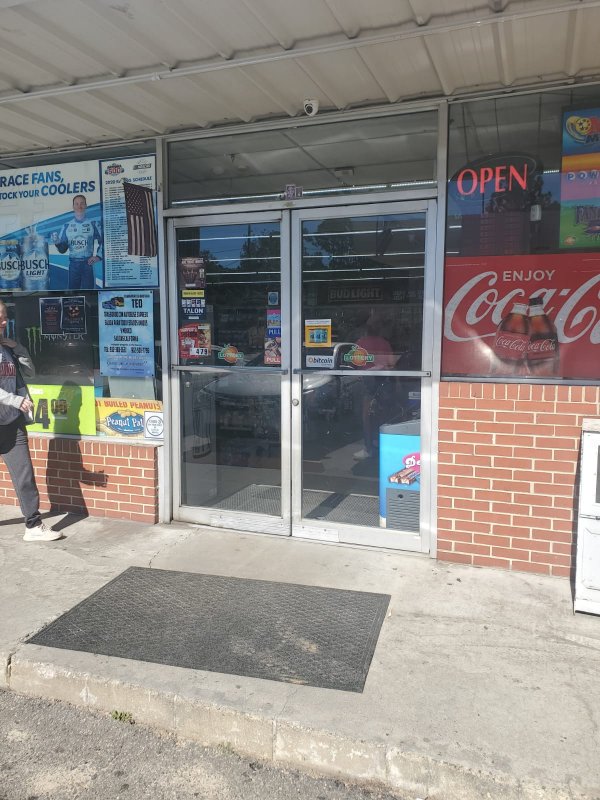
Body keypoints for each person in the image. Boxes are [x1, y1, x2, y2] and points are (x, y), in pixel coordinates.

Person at [0, 301, 60, 541]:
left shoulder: (7, 348)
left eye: (5, 317)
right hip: (11, 410)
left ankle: (33, 527)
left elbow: (31, 373)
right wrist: (14, 400)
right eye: (0, 318)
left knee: (24, 473)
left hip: (11, 423)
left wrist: (19, 349)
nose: (4, 322)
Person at [353, 311, 397, 460]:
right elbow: (391, 363)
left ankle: (368, 447)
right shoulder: (384, 343)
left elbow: (356, 363)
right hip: (382, 383)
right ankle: (378, 443)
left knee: (367, 417)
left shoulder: (360, 342)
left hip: (369, 384)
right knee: (381, 415)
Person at [51, 194, 102, 290]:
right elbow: (63, 249)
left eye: (82, 203)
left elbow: (104, 241)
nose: (79, 206)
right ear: (73, 206)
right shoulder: (66, 226)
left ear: (86, 205)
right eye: (77, 204)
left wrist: (98, 256)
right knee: (73, 294)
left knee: (89, 294)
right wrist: (57, 243)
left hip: (88, 264)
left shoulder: (93, 224)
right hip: (73, 265)